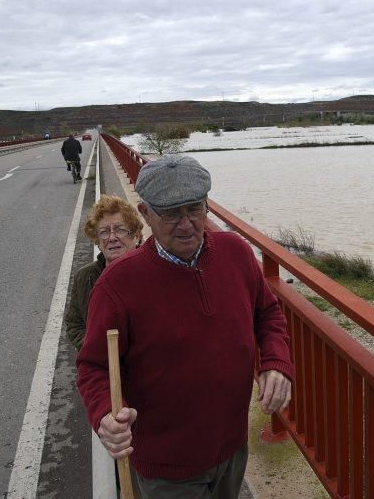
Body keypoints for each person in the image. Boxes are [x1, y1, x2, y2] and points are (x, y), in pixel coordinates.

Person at [77, 155, 293, 498]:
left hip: (232, 447)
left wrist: (277, 363)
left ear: (207, 205)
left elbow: (267, 314)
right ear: (145, 214)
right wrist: (104, 413)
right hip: (167, 469)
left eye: (194, 209)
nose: (186, 224)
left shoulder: (236, 253)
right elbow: (92, 366)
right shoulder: (117, 284)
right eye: (170, 213)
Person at [64, 195, 144, 351]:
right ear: (97, 241)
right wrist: (97, 350)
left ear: (136, 235)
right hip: (101, 367)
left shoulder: (152, 272)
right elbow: (75, 325)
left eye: (120, 230)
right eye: (104, 232)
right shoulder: (85, 277)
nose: (112, 238)